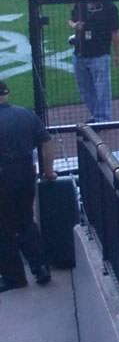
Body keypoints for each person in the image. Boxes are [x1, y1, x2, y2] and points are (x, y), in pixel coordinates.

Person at [0, 79, 54, 293]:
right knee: (25, 220)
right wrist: (48, 171)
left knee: (4, 228)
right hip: (26, 174)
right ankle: (40, 268)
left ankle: (14, 277)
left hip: (3, 178)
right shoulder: (26, 114)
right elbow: (47, 144)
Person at [68, 0, 119, 124]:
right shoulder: (81, 4)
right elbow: (71, 20)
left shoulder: (110, 7)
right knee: (85, 90)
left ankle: (103, 119)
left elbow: (116, 32)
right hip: (79, 54)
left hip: (100, 55)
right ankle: (96, 116)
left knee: (102, 89)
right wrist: (74, 25)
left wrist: (117, 55)